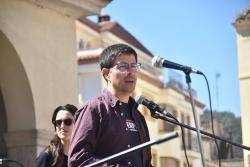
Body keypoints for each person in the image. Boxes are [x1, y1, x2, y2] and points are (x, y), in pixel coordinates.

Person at [68, 43, 152, 167]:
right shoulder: (94, 109)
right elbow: (78, 160)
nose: (131, 72)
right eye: (123, 67)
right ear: (106, 73)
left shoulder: (138, 116)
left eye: (134, 66)